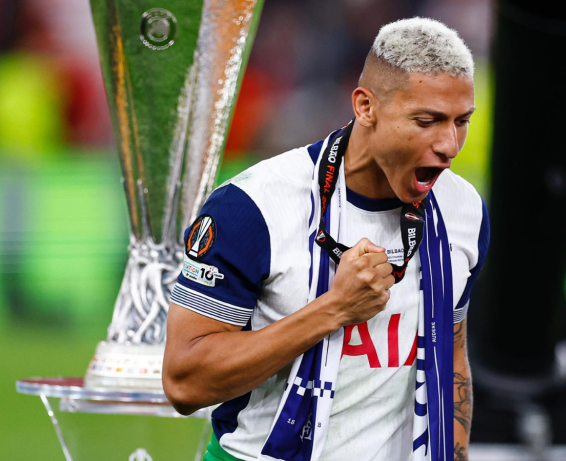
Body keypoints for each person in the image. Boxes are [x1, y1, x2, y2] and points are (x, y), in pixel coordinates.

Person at [163, 17, 489, 461]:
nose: (449, 145)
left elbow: (451, 356)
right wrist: (334, 308)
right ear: (366, 107)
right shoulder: (253, 206)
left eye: (461, 121)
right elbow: (185, 383)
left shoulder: (464, 211)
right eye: (426, 121)